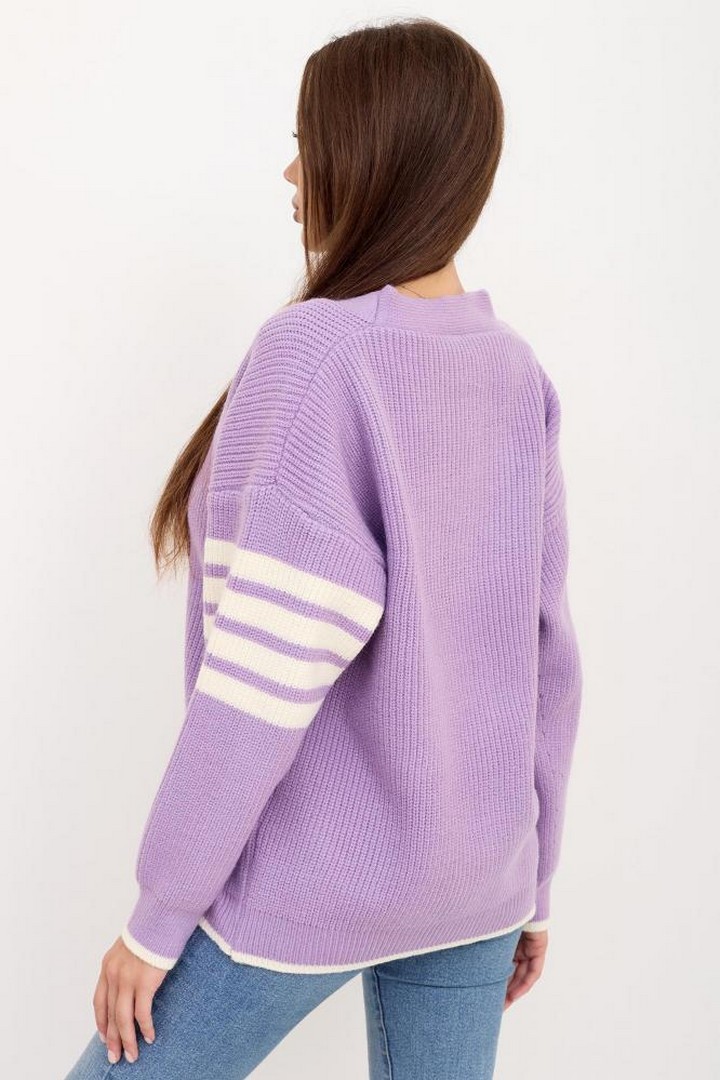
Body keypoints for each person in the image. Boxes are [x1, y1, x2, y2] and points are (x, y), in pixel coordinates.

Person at [64, 16, 582, 1080]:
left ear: (372, 155)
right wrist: (533, 886)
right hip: (477, 887)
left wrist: (159, 917)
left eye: (309, 142)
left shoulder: (317, 353)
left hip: (309, 889)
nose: (293, 173)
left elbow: (264, 673)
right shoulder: (512, 367)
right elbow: (549, 657)